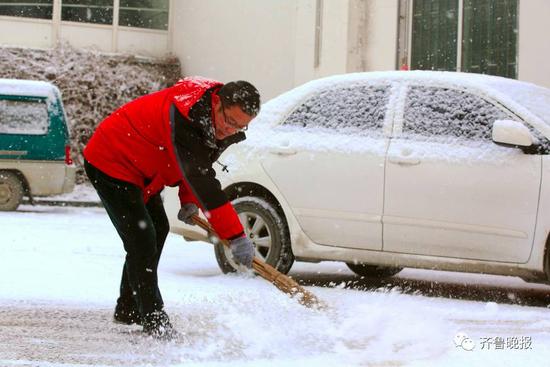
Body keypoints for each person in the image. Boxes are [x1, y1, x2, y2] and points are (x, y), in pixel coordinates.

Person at [83, 76, 260, 339]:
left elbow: (199, 164)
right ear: (217, 102)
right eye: (229, 121)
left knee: (156, 229)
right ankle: (153, 317)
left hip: (144, 171)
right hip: (112, 162)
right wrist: (235, 235)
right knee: (142, 240)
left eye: (240, 127)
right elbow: (203, 181)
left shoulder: (210, 121)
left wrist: (188, 199)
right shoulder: (187, 117)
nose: (230, 130)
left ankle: (129, 308)